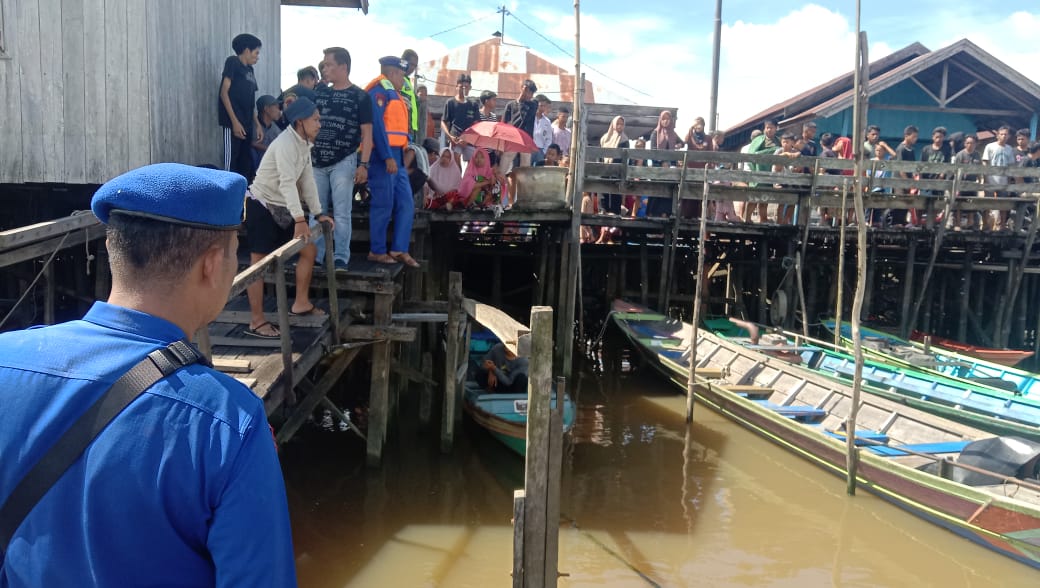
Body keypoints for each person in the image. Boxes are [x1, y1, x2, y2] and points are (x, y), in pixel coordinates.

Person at [0, 164, 296, 585]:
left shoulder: (6, 360)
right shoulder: (230, 422)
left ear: (111, 245)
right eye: (234, 250)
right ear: (212, 264)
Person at [244, 97, 334, 338]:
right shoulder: (285, 144)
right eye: (315, 120)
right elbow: (286, 183)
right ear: (299, 122)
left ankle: (301, 303)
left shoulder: (303, 144)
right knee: (259, 264)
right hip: (262, 205)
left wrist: (318, 213)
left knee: (309, 251)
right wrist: (300, 219)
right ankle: (257, 320)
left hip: (283, 207)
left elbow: (306, 181)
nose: (319, 124)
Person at [311, 47, 374, 272]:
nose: (325, 68)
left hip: (344, 161)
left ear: (343, 67)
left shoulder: (360, 96)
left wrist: (363, 164)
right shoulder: (319, 94)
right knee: (316, 211)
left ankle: (340, 258)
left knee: (341, 211)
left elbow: (367, 133)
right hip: (316, 161)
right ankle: (315, 256)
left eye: (328, 64)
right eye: (324, 65)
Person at [366, 56, 419, 267]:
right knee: (383, 203)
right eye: (402, 75)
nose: (404, 80)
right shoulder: (378, 90)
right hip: (382, 155)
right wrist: (387, 156)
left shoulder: (394, 92)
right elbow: (376, 125)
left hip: (397, 153)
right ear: (393, 73)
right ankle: (376, 251)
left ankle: (399, 248)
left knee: (406, 202)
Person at [218, 33, 262, 182]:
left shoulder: (250, 70)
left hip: (247, 123)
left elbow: (251, 100)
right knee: (230, 165)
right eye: (256, 52)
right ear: (247, 50)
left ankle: (242, 200)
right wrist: (234, 122)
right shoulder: (233, 62)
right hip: (233, 123)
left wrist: (257, 124)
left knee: (245, 164)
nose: (257, 57)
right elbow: (224, 93)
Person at [442, 73, 480, 170]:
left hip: (469, 141)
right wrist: (450, 136)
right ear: (456, 87)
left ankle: (468, 183)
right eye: (461, 87)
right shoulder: (450, 102)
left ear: (470, 88)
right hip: (455, 139)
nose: (463, 89)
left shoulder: (473, 104)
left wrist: (468, 139)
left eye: (466, 87)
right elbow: (443, 121)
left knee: (474, 166)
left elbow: (477, 124)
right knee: (455, 164)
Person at [501, 79, 539, 175]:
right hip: (513, 137)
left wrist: (522, 102)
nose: (530, 95)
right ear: (523, 88)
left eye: (532, 93)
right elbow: (504, 123)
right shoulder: (510, 105)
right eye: (529, 92)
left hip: (526, 138)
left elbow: (525, 116)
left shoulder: (532, 105)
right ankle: (498, 184)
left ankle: (523, 189)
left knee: (525, 165)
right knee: (506, 160)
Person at [982, 125, 1015, 231]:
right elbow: (985, 163)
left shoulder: (1009, 149)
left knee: (1003, 204)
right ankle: (985, 224)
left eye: (1006, 134)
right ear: (997, 135)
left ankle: (1001, 225)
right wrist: (985, 179)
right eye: (1002, 134)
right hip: (991, 179)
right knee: (987, 203)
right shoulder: (990, 146)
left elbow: (1010, 166)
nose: (1004, 136)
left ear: (1009, 136)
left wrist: (1009, 182)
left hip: (1003, 180)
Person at [599, 115, 630, 215]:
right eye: (618, 124)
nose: (620, 126)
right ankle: (602, 209)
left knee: (616, 191)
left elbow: (625, 158)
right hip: (605, 169)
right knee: (603, 190)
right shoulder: (605, 138)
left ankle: (615, 212)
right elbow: (600, 155)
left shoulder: (624, 140)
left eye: (622, 124)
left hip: (617, 170)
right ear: (613, 124)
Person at [252, 94, 282, 168]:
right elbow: (248, 143)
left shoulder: (276, 129)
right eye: (277, 108)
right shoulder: (253, 126)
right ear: (266, 109)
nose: (279, 111)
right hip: (254, 167)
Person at [400, 49, 420, 142]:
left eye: (415, 66)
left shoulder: (407, 81)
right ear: (404, 61)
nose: (413, 68)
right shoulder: (397, 79)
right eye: (411, 64)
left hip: (412, 128)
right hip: (402, 128)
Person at [531, 95, 554, 165]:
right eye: (540, 105)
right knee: (527, 171)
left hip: (540, 150)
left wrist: (544, 151)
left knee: (539, 173)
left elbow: (549, 138)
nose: (541, 108)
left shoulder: (547, 121)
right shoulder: (530, 117)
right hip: (529, 149)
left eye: (544, 106)